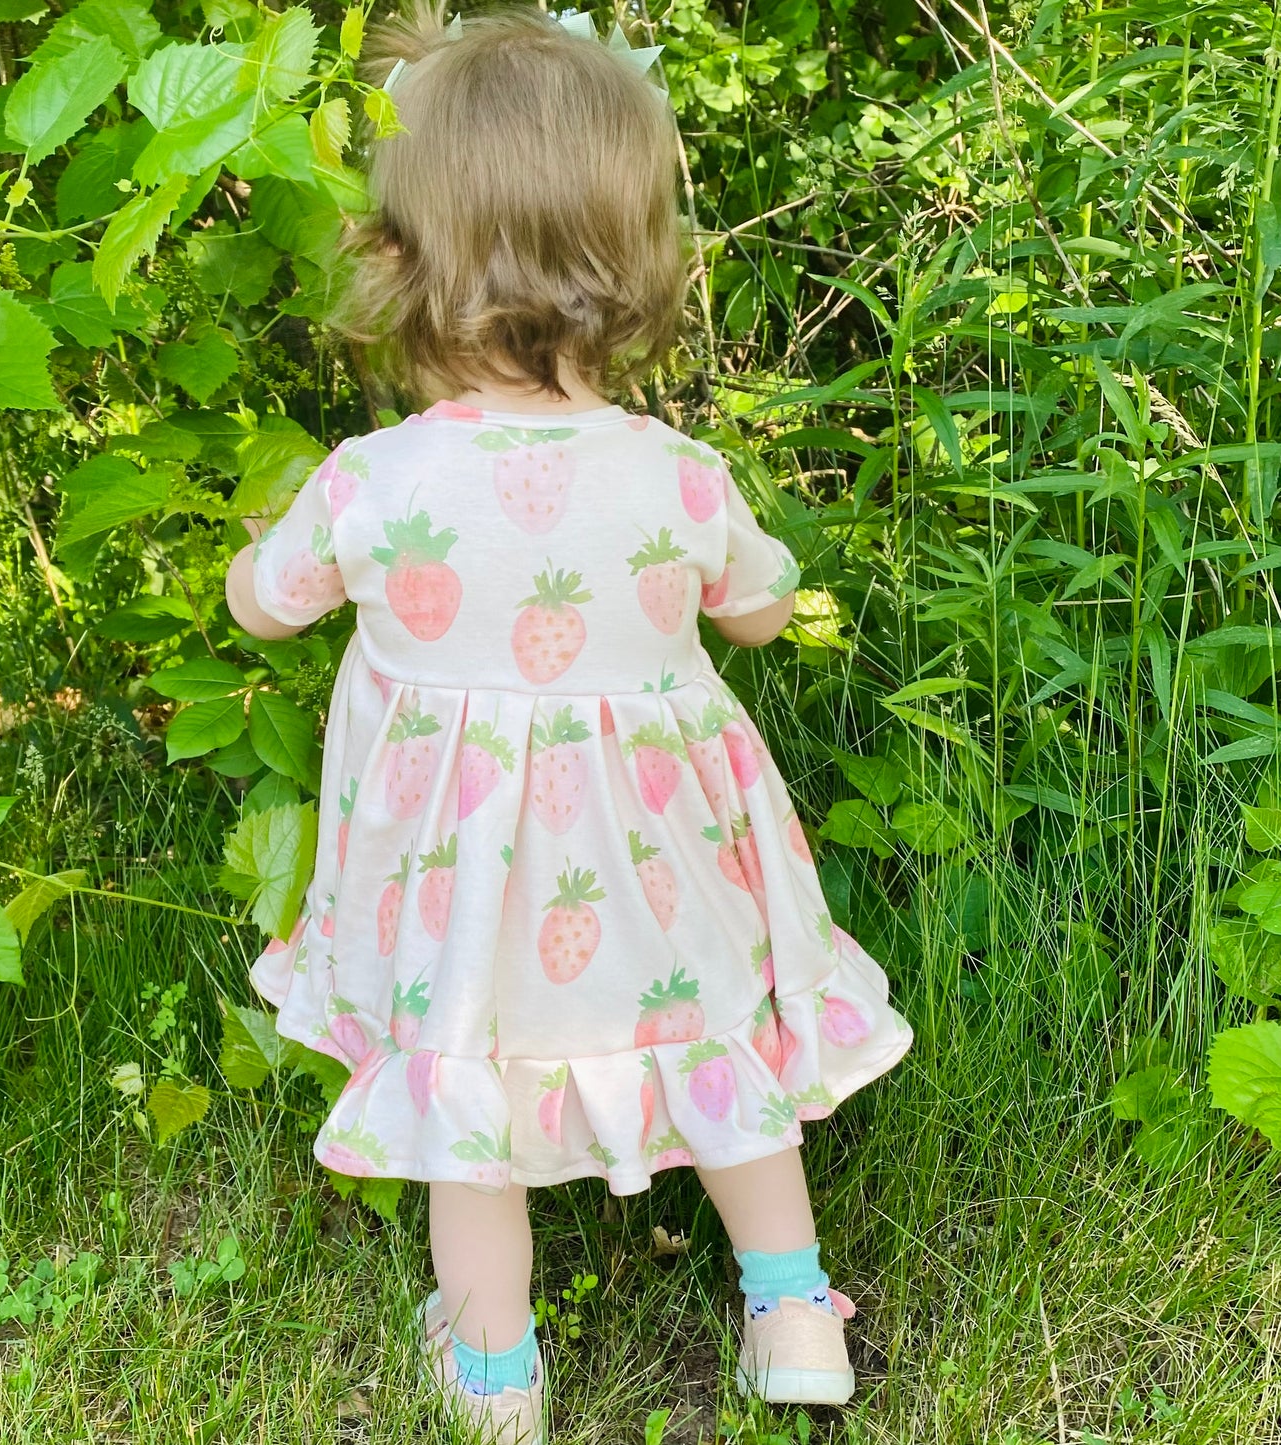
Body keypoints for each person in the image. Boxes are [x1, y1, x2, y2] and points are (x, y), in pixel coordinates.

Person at [224, 5, 912, 1440]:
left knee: (465, 1107)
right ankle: (791, 1314)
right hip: (654, 886)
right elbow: (761, 608)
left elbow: (265, 608)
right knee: (725, 1059)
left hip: (461, 907)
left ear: (399, 257)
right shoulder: (671, 471)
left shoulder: (375, 480)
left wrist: (257, 550)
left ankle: (493, 1373)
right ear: (639, 258)